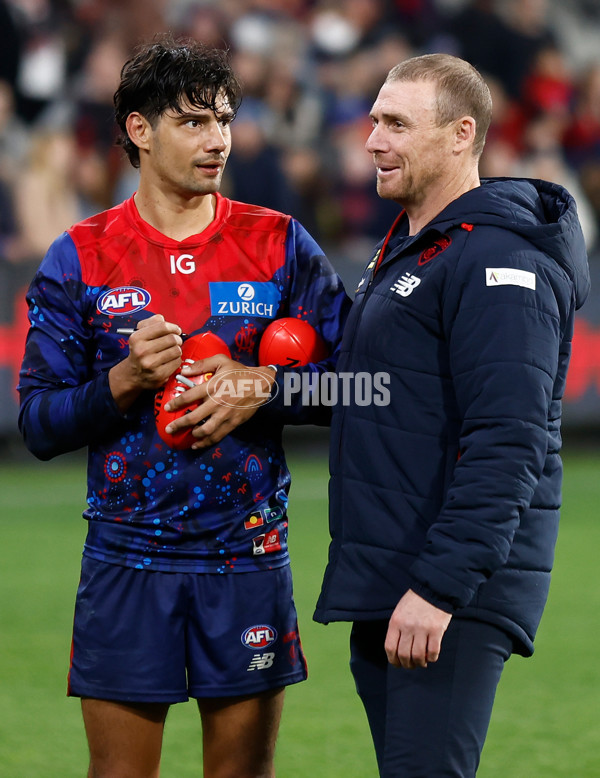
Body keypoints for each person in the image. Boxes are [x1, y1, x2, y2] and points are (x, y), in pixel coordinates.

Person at [18, 35, 350, 778]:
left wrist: (269, 385)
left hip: (249, 558)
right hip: (126, 562)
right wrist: (124, 382)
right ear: (140, 130)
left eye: (225, 118)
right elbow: (36, 424)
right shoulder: (82, 257)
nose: (219, 139)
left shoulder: (280, 244)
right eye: (195, 121)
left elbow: (361, 386)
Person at [314, 53, 590, 777]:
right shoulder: (416, 249)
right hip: (397, 571)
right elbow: (373, 391)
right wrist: (252, 391)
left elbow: (511, 439)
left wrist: (439, 588)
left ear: (462, 134)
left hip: (446, 589)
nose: (372, 140)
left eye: (397, 124)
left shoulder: (501, 261)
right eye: (373, 119)